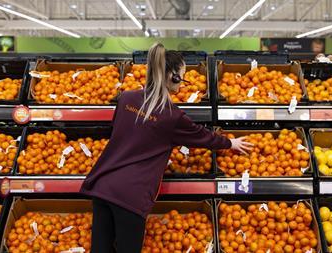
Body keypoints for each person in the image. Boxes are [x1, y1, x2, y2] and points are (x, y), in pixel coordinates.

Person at [80, 42, 253, 253]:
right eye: (183, 76)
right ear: (174, 76)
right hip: (131, 195)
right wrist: (230, 143)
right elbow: (202, 137)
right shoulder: (171, 115)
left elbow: (120, 132)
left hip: (104, 185)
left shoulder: (125, 98)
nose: (183, 83)